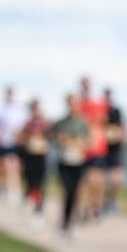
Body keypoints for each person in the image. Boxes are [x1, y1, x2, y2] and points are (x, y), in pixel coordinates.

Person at [51, 93, 91, 238]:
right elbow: (54, 137)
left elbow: (88, 141)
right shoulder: (61, 123)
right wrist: (60, 139)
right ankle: (66, 220)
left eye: (75, 103)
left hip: (78, 161)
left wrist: (82, 143)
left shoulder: (83, 123)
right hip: (64, 161)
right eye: (70, 103)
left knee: (75, 193)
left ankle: (70, 221)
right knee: (68, 191)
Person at [78, 76, 109, 222]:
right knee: (81, 182)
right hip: (81, 149)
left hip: (97, 148)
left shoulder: (98, 103)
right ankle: (80, 209)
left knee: (96, 181)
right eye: (84, 84)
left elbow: (104, 124)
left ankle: (95, 208)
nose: (86, 87)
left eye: (88, 84)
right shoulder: (78, 104)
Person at [0, 86, 27, 205]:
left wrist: (21, 138)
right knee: (3, 167)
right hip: (3, 142)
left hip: (15, 143)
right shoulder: (1, 110)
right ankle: (4, 187)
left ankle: (15, 191)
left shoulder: (20, 110)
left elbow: (24, 126)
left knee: (14, 166)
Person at [19, 99, 50, 225]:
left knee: (40, 181)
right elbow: (21, 137)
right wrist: (27, 141)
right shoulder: (28, 124)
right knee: (30, 178)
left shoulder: (46, 123)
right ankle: (30, 195)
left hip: (41, 155)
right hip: (30, 155)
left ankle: (39, 205)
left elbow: (52, 136)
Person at [102, 87, 126, 214]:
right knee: (100, 178)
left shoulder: (116, 111)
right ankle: (101, 201)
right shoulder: (100, 110)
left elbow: (122, 127)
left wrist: (122, 135)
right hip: (101, 147)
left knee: (117, 178)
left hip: (115, 147)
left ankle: (111, 200)